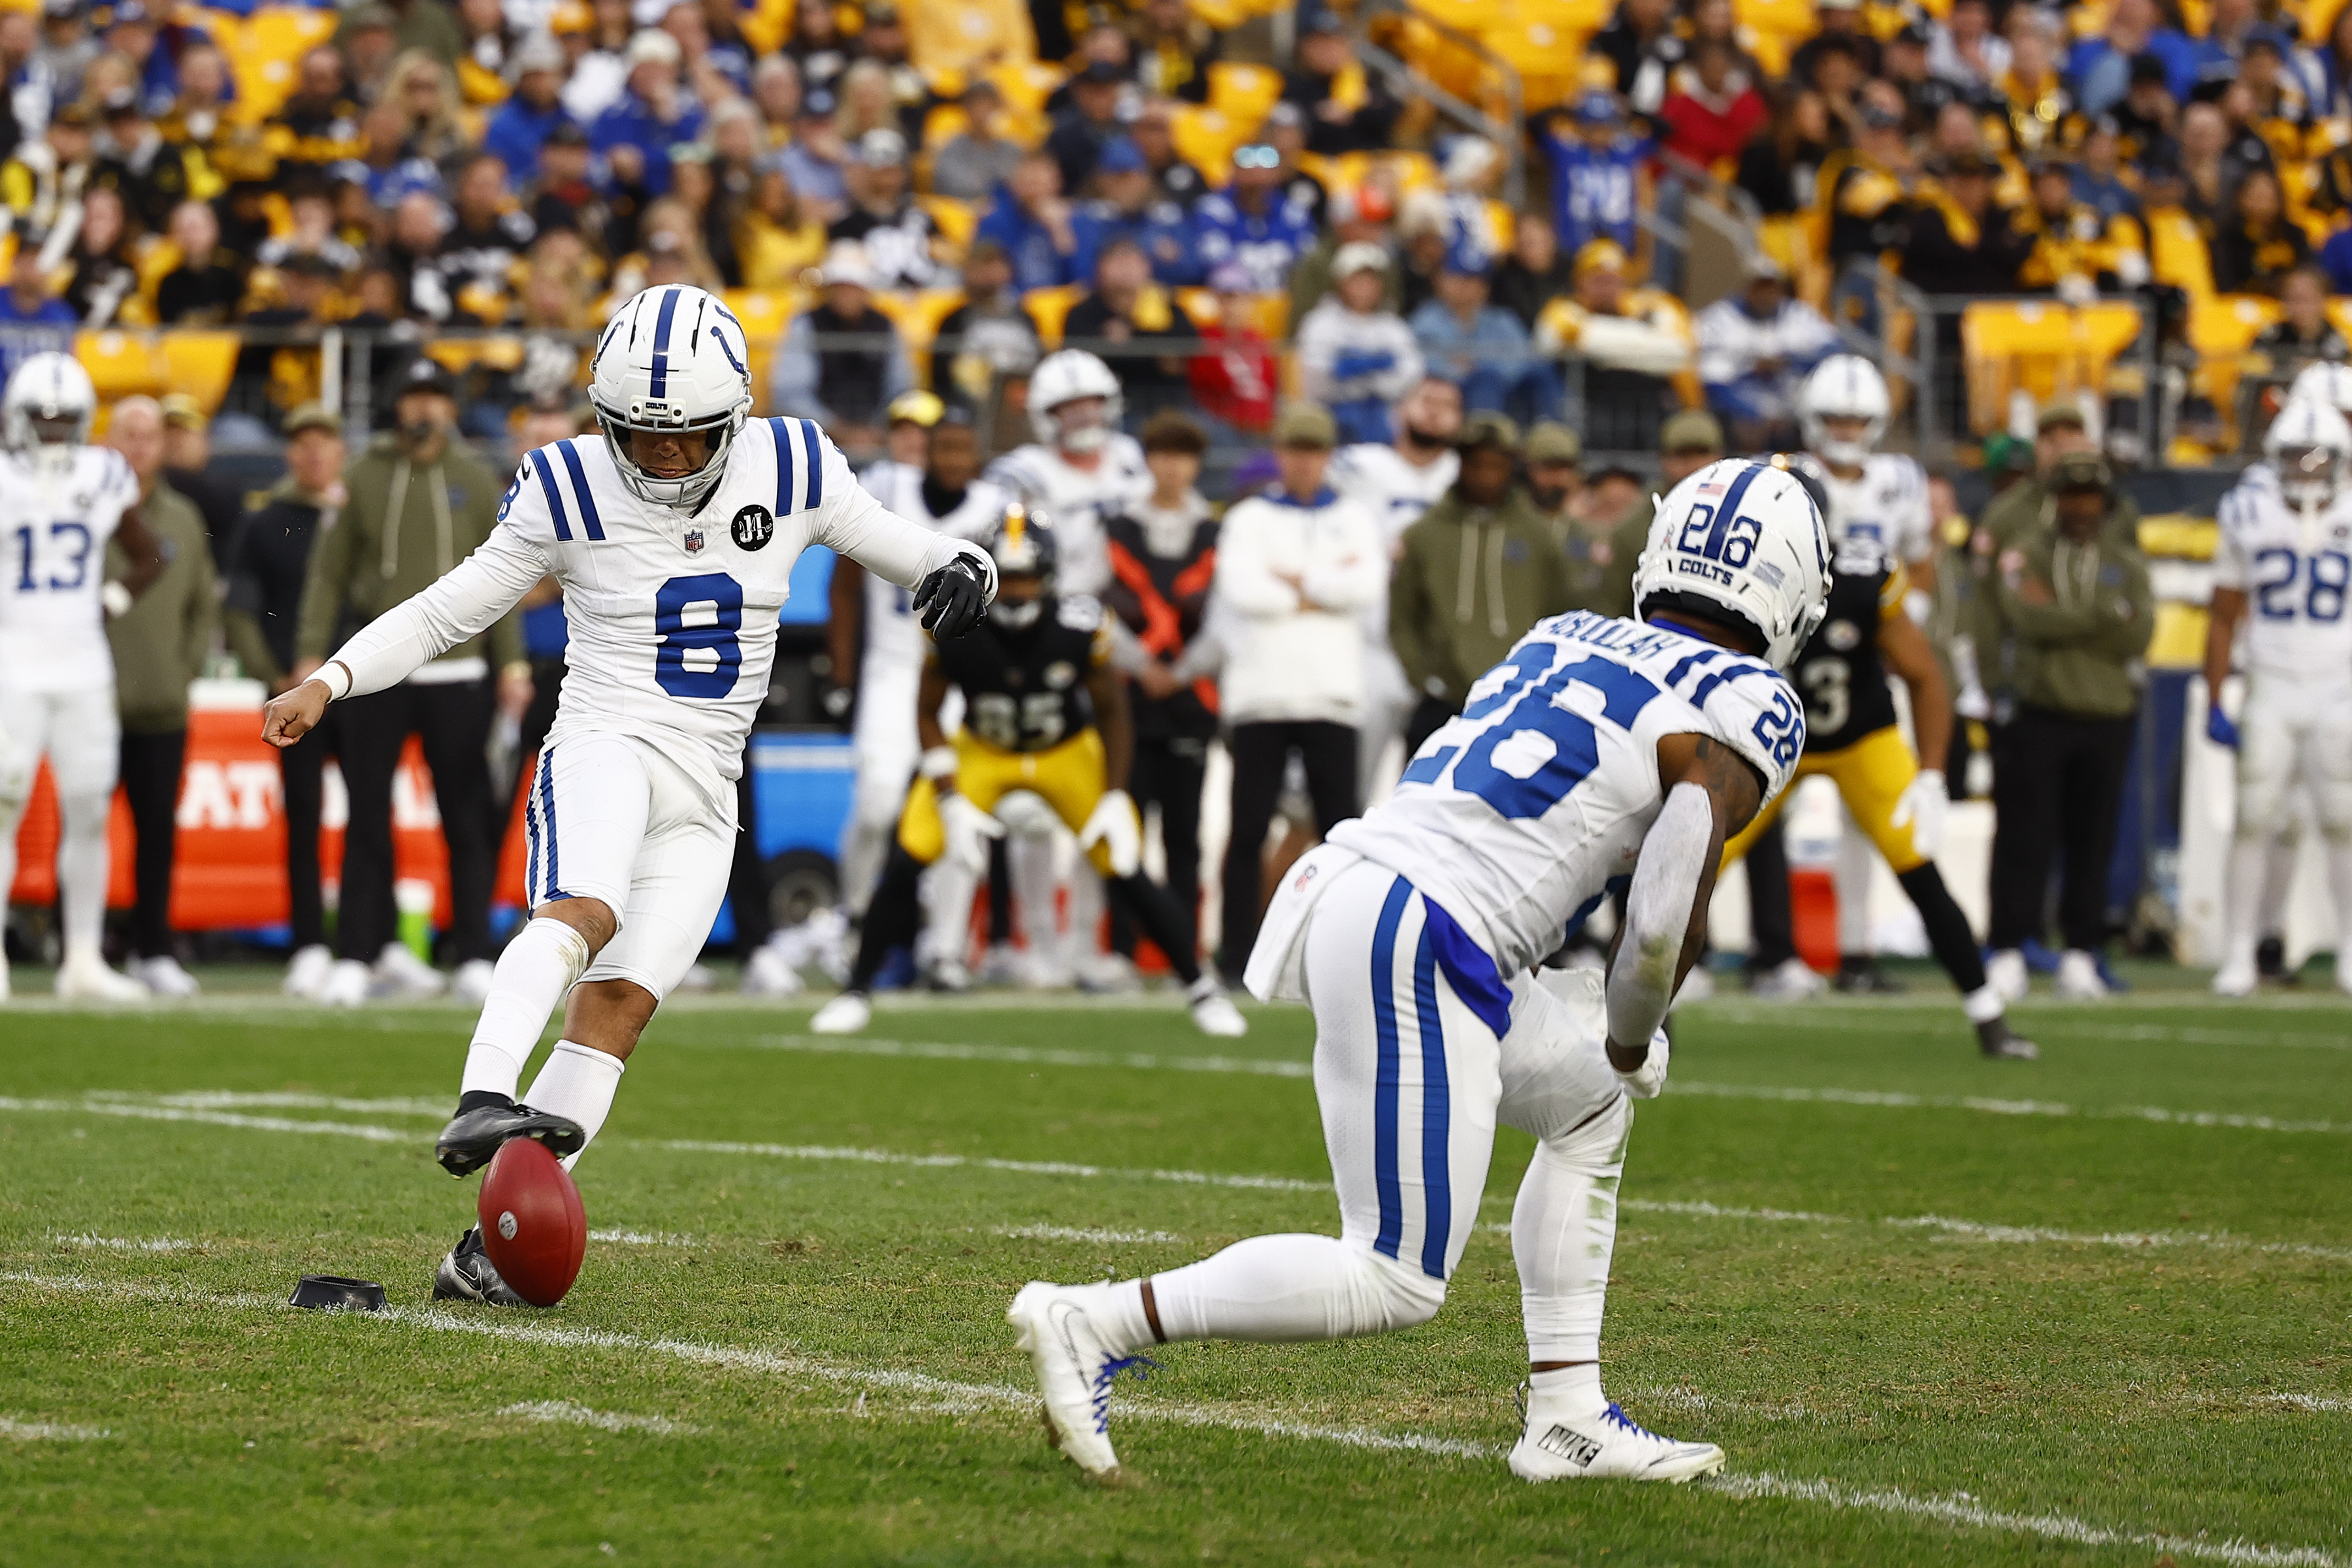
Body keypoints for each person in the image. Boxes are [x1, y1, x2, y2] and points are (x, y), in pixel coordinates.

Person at [1004, 457, 1833, 1486]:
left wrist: (1600, 1046)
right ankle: (1093, 1320)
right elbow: (1663, 922)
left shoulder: (1560, 633)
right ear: (1796, 588)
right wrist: (1629, 1036)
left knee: (1586, 1115)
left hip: (1383, 890)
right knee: (1393, 1273)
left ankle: (1566, 1419)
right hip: (1429, 926)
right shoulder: (1752, 702)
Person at [259, 283, 998, 1304]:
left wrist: (967, 567)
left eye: (684, 439)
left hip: (709, 783)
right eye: (637, 437)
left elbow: (910, 547)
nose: (658, 457)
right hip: (605, 739)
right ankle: (482, 1092)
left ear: (733, 415)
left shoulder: (793, 463)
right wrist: (330, 678)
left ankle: (490, 1252)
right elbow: (447, 612)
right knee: (584, 910)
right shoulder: (565, 483)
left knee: (618, 1008)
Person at [811, 506, 1246, 1039]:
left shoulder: (1078, 626)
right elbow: (927, 710)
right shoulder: (954, 625)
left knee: (1127, 865)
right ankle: (857, 989)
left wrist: (1113, 794)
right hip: (983, 751)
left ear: (1048, 577)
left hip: (1065, 751)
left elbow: (1113, 712)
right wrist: (948, 793)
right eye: (1006, 577)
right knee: (910, 855)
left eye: (1025, 578)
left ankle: (1201, 989)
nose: (1015, 592)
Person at [1723, 458, 2037, 1056]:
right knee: (1688, 865)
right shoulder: (1732, 583)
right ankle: (1641, 1021)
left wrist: (1934, 774)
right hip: (1767, 741)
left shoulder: (1864, 573)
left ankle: (1988, 1013)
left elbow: (1924, 676)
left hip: (1860, 737)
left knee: (1916, 863)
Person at [291, 359, 528, 1008]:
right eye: (414, 397)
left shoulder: (477, 480)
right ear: (397, 407)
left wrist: (510, 663)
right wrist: (313, 657)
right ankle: (359, 952)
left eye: (434, 397)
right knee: (367, 812)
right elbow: (328, 575)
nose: (424, 409)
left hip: (461, 669)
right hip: (382, 669)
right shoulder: (364, 478)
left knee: (468, 818)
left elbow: (506, 581)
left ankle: (475, 950)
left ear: (450, 408)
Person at [0, 351, 164, 1002]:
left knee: (90, 808)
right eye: (41, 422)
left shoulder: (102, 474)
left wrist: (109, 602)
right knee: (3, 805)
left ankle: (84, 959)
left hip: (84, 665)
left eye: (63, 422)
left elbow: (152, 554)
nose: (52, 434)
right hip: (13, 663)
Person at [1209, 402, 1386, 985]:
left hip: (1333, 695)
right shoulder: (1249, 518)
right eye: (1294, 450)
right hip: (1261, 694)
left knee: (1343, 830)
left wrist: (1293, 578)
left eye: (1314, 452)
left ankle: (1345, 953)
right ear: (1279, 454)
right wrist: (1322, 585)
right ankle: (1236, 956)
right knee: (1248, 829)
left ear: (1327, 456)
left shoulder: (1355, 517)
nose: (1304, 463)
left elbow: (1365, 585)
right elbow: (1243, 590)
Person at [1982, 453, 2154, 1002]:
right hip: (2043, 709)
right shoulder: (2030, 551)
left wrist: (2063, 619)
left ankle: (2082, 951)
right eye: (2072, 494)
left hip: (2107, 714)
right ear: (2056, 498)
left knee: (2093, 839)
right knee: (2024, 837)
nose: (2082, 506)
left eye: (2090, 495)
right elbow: (2023, 617)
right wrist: (2104, 616)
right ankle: (2009, 946)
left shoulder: (2125, 558)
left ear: (2104, 501)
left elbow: (2140, 633)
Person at [830, 408, 1004, 941]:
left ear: (978, 456)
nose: (953, 460)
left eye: (963, 449)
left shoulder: (994, 508)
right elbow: (845, 586)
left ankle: (945, 946)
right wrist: (842, 676)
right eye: (944, 447)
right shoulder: (885, 484)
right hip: (892, 668)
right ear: (926, 450)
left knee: (959, 810)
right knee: (879, 805)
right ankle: (856, 918)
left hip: (957, 675)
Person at [2203, 399, 2352, 996]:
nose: (2308, 470)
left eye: (2320, 459)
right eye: (2297, 457)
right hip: (2271, 677)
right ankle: (2239, 951)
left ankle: (2348, 951)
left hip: (2339, 682)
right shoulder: (2248, 509)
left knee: (2343, 820)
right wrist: (2216, 695)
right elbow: (2222, 614)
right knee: (2254, 818)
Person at [225, 402, 357, 1001]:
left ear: (339, 451)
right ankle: (309, 944)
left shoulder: (358, 515)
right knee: (303, 816)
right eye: (302, 443)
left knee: (370, 817)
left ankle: (365, 944)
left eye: (323, 442)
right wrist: (275, 678)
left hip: (360, 688)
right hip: (293, 694)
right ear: (290, 454)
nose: (313, 453)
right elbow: (243, 609)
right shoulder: (267, 520)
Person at [100, 395, 213, 998]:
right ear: (109, 439)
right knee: (85, 829)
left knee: (157, 835)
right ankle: (82, 946)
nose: (140, 445)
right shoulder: (86, 511)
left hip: (162, 702)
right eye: (129, 433)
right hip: (89, 701)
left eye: (150, 435)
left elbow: (203, 607)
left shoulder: (183, 517)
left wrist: (182, 669)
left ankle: (152, 949)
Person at [1388, 414, 1579, 758]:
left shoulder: (1538, 537)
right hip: (1442, 697)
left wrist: (1541, 679)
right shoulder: (1425, 534)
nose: (1486, 474)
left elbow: (1559, 616)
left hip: (1519, 699)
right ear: (1461, 465)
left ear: (1512, 467)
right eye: (1477, 464)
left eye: (1496, 464)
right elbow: (1402, 616)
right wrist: (1423, 677)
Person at [1109, 411, 1217, 968]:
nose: (1173, 467)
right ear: (1148, 459)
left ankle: (1185, 955)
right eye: (1163, 453)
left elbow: (1227, 617)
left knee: (1185, 837)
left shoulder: (1216, 533)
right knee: (1125, 829)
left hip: (1192, 702)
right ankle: (1121, 951)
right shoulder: (1117, 528)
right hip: (1127, 700)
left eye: (1184, 455)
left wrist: (1181, 672)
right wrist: (1141, 664)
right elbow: (1097, 606)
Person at [1330, 376, 1464, 804]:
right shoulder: (1359, 466)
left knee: (1430, 798)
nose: (1435, 410)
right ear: (1398, 412)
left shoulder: (1466, 477)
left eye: (1448, 404)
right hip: (1371, 646)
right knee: (1346, 789)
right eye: (1426, 399)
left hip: (1441, 656)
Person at [770, 241, 915, 457]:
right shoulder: (806, 324)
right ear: (828, 287)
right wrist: (838, 430)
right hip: (815, 443)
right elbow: (791, 392)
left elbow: (901, 389)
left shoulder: (885, 326)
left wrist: (877, 430)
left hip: (878, 441)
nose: (847, 293)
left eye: (853, 285)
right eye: (840, 285)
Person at [1695, 255, 1838, 452]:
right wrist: (1752, 411)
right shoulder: (1718, 319)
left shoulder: (1798, 315)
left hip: (1792, 415)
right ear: (1747, 288)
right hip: (1741, 415)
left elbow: (1835, 350)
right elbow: (1711, 382)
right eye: (1760, 286)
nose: (1766, 293)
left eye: (1771, 286)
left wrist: (1789, 361)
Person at [1299, 244, 1424, 448]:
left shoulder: (1393, 326)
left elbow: (1411, 373)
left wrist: (1365, 377)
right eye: (1357, 279)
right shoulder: (1319, 323)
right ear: (1340, 282)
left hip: (1383, 410)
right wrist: (1368, 371)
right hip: (1331, 410)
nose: (1365, 286)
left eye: (1371, 279)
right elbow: (1313, 376)